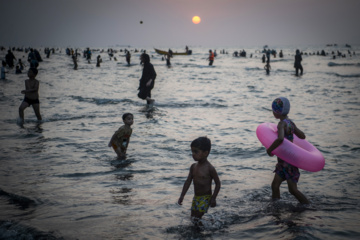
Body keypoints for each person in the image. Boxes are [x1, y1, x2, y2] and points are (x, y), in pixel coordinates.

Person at [266, 97, 309, 204]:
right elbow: (302, 136)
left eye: (273, 110)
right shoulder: (290, 123)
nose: (272, 112)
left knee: (292, 190)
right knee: (275, 185)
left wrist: (270, 149)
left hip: (288, 161)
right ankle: (276, 206)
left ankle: (308, 205)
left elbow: (280, 138)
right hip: (284, 161)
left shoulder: (281, 124)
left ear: (277, 112)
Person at [178, 137, 221, 224]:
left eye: (196, 152)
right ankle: (205, 227)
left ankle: (199, 233)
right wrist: (182, 196)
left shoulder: (209, 168)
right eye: (192, 151)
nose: (193, 154)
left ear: (205, 153)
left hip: (205, 198)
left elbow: (218, 183)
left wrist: (213, 198)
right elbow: (188, 182)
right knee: (193, 218)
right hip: (196, 197)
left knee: (197, 217)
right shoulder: (193, 167)